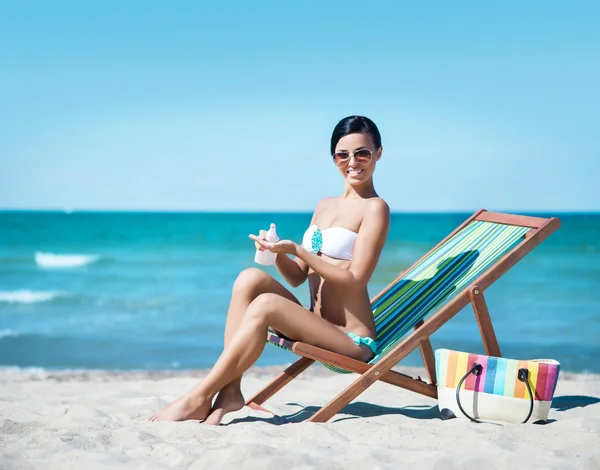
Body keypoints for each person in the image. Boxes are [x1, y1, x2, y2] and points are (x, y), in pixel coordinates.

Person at [149, 115, 390, 424]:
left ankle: (198, 397)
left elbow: (355, 282)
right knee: (248, 279)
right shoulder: (324, 205)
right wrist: (277, 252)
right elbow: (298, 275)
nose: (352, 162)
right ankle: (230, 392)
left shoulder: (375, 207)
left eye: (362, 153)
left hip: (352, 342)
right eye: (343, 154)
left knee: (265, 304)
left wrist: (299, 249)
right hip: (317, 323)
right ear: (334, 159)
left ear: (377, 154)